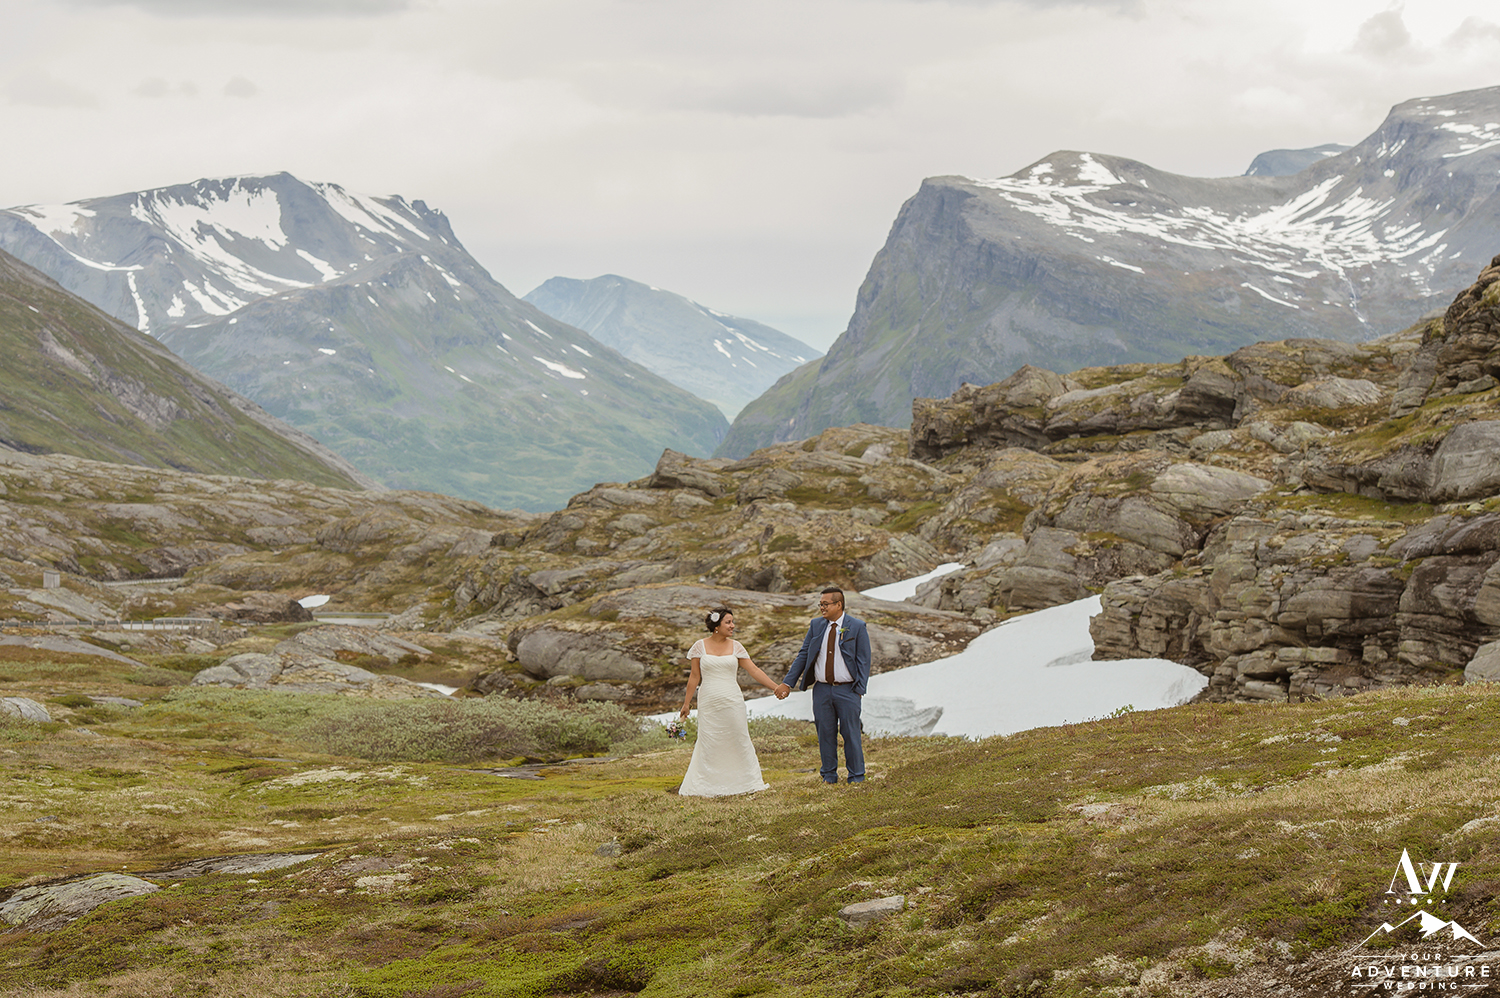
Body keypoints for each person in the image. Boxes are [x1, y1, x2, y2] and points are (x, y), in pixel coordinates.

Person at [678, 607, 789, 797]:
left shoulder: (736, 646)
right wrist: (687, 704)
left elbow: (753, 670)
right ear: (716, 626)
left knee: (739, 738)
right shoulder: (699, 647)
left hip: (732, 700)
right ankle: (707, 784)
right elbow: (694, 677)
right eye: (728, 622)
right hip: (709, 701)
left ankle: (746, 782)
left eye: (732, 622)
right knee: (710, 740)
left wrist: (775, 687)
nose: (733, 626)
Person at [775, 587, 871, 784]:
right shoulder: (816, 625)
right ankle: (829, 776)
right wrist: (787, 683)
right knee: (825, 733)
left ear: (839, 604)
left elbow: (864, 660)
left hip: (848, 690)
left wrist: (859, 690)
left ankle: (856, 776)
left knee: (851, 733)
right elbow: (803, 654)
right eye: (820, 604)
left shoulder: (857, 626)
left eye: (825, 604)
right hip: (821, 690)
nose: (821, 608)